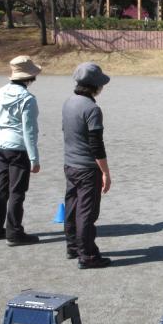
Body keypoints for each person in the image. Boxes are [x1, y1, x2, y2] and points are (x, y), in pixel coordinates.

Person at [0, 55, 42, 246]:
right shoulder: (28, 99)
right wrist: (34, 158)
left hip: (2, 145)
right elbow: (29, 130)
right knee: (17, 191)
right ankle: (14, 232)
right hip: (19, 149)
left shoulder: (0, 92)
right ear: (30, 77)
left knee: (1, 188)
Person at [62, 62, 112, 269]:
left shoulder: (69, 102)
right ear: (95, 86)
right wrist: (105, 172)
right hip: (86, 168)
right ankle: (88, 255)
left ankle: (72, 246)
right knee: (87, 212)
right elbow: (96, 145)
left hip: (70, 164)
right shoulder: (92, 109)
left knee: (72, 207)